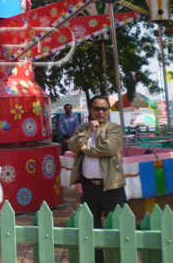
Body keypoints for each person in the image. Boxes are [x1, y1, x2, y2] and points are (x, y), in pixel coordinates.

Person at [68, 95, 125, 263]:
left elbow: (108, 148)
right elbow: (72, 146)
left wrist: (85, 149)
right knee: (91, 230)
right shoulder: (82, 128)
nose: (101, 112)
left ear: (108, 111)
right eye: (97, 108)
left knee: (117, 227)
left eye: (104, 109)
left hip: (111, 186)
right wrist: (88, 132)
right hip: (89, 187)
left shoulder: (114, 128)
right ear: (90, 110)